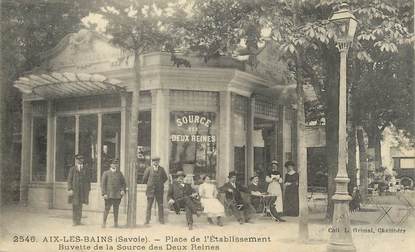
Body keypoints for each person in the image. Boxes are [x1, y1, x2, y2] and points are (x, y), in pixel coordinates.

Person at [142, 156, 168, 225]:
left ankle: (161, 219)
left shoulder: (162, 169)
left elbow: (165, 178)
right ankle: (147, 220)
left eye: (157, 161)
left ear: (159, 162)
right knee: (149, 206)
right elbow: (144, 179)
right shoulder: (148, 169)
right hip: (150, 190)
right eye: (154, 161)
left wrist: (160, 184)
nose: (156, 162)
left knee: (160, 205)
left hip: (159, 191)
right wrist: (150, 184)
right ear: (152, 162)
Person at [101, 159, 126, 228]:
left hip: (117, 195)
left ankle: (115, 223)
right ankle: (104, 223)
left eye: (116, 164)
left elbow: (123, 183)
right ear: (110, 165)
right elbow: (103, 184)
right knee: (107, 209)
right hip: (109, 195)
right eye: (113, 164)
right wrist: (104, 193)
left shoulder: (119, 173)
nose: (115, 165)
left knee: (116, 209)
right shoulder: (106, 173)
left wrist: (122, 190)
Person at [67, 154, 91, 226]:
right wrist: (70, 189)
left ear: (83, 160)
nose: (80, 161)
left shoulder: (86, 169)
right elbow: (69, 180)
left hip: (82, 191)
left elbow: (88, 180)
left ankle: (79, 221)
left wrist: (88, 189)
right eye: (78, 159)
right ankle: (74, 221)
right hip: (75, 190)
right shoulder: (72, 169)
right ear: (76, 160)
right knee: (75, 205)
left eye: (81, 159)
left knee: (80, 205)